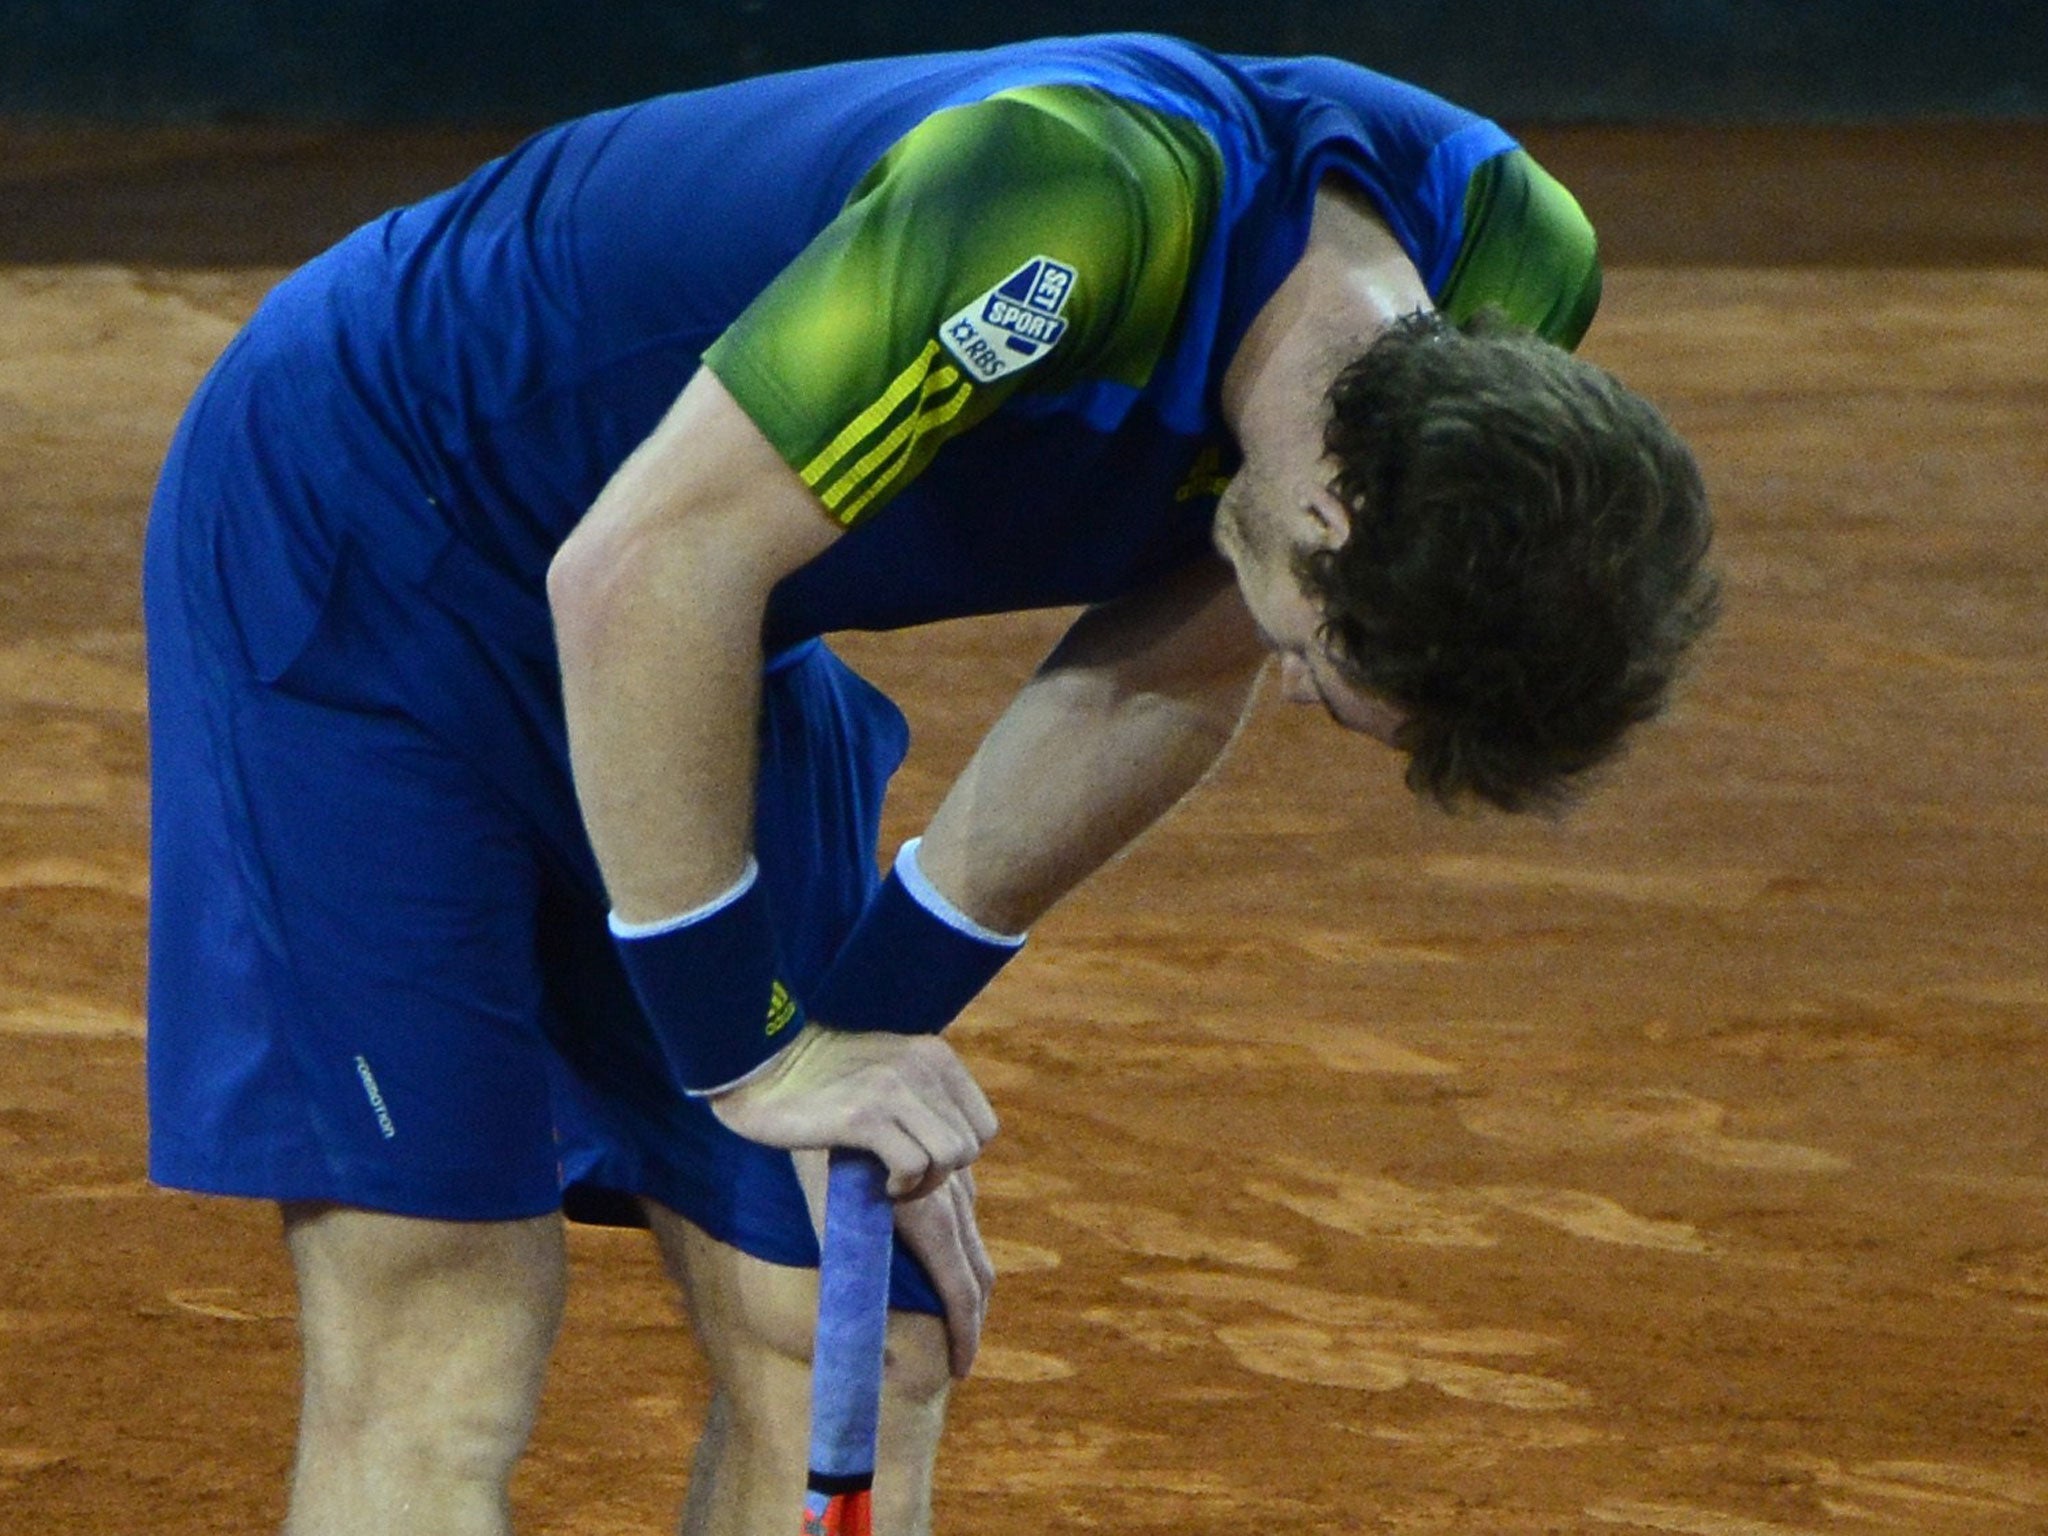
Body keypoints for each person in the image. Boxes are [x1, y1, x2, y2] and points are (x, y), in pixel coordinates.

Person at [142, 31, 1717, 1536]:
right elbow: (638, 569)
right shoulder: (1057, 210)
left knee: (845, 1323)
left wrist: (869, 1019)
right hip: (373, 525)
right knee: (441, 1325)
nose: (1285, 682)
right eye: (1321, 663)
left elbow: (1177, 644)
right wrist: (757, 1059)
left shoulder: (1509, 280)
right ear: (1330, 509)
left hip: (705, 617)